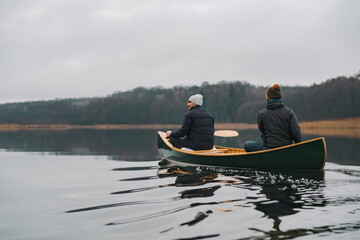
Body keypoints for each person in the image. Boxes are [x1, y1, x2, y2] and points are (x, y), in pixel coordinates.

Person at [244, 84, 301, 152]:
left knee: (247, 145)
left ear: (268, 97)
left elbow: (262, 130)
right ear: (280, 97)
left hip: (269, 148)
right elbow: (296, 133)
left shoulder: (262, 114)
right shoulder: (289, 112)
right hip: (286, 147)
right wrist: (299, 147)